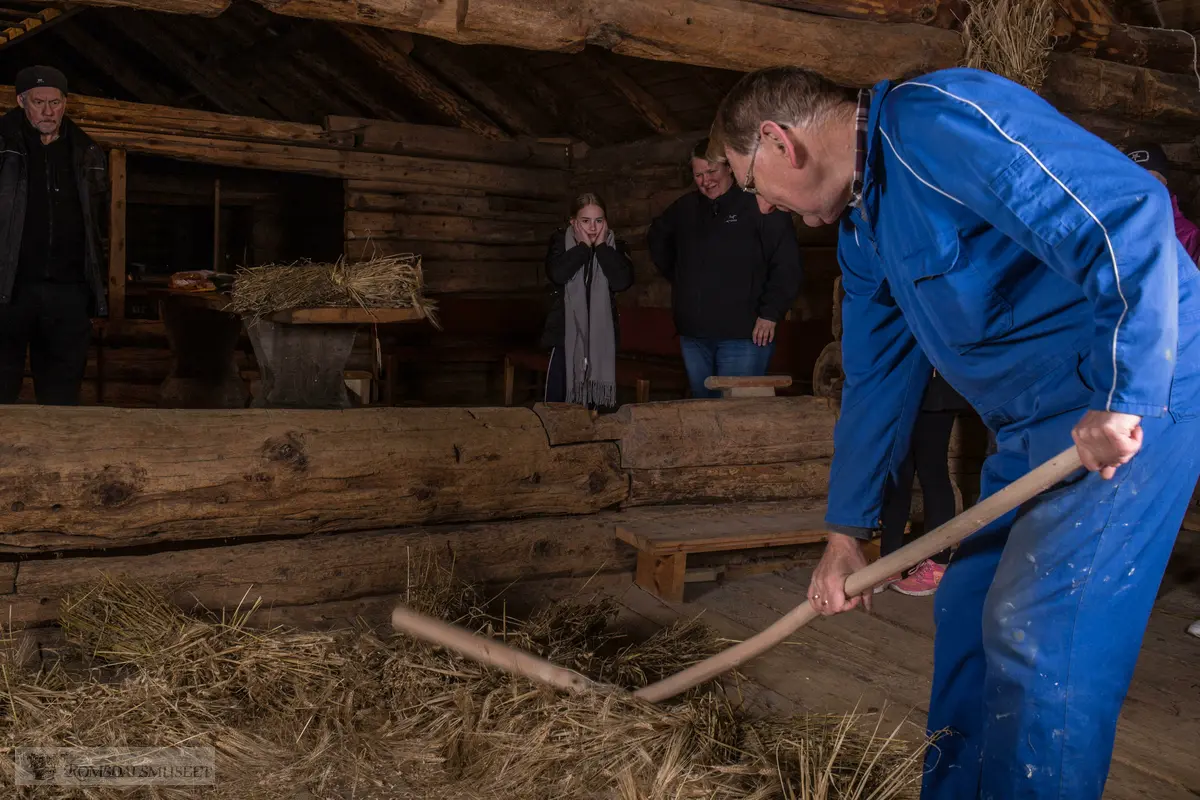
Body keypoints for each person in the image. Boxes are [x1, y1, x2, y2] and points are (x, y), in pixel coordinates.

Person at [713, 65, 1200, 799]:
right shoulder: (864, 232)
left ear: (780, 142)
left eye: (754, 184)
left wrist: (1127, 390)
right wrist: (847, 533)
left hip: (1136, 391)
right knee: (969, 609)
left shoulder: (936, 122)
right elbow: (876, 384)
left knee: (1037, 631)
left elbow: (1130, 210)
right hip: (1038, 426)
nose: (766, 206)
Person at [647, 138, 802, 398]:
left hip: (744, 336)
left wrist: (771, 313)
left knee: (738, 418)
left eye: (711, 172)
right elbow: (656, 239)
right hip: (694, 336)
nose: (706, 180)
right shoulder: (684, 209)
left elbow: (787, 264)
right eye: (698, 175)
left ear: (729, 167)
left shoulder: (759, 204)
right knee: (703, 417)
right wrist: (682, 277)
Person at [1125, 144, 1200, 641]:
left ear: (1166, 185)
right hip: (1138, 390)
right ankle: (1129, 586)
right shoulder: (1117, 241)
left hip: (1189, 385)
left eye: (1151, 178)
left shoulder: (1190, 239)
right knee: (1138, 489)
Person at [0, 65, 108, 406]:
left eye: (56, 102)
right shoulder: (3, 145)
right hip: (8, 290)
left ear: (66, 103)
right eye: (39, 102)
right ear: (21, 101)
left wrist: (94, 290)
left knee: (62, 395)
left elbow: (98, 227)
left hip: (68, 293)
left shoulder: (86, 152)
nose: (48, 111)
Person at [876, 370, 970, 596]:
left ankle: (937, 564)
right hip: (903, 386)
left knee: (932, 470)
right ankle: (889, 562)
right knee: (897, 472)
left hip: (937, 387)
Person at [539, 192, 633, 408]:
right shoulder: (559, 243)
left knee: (596, 407)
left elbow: (622, 282)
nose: (593, 228)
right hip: (565, 336)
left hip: (601, 339)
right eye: (585, 221)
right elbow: (558, 274)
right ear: (573, 222)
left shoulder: (615, 247)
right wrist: (582, 248)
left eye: (599, 221)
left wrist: (601, 248)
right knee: (558, 402)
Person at [1125, 143, 1200, 266]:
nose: (1139, 187)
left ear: (1164, 182)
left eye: (1149, 179)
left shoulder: (1188, 237)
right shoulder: (1101, 225)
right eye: (1132, 180)